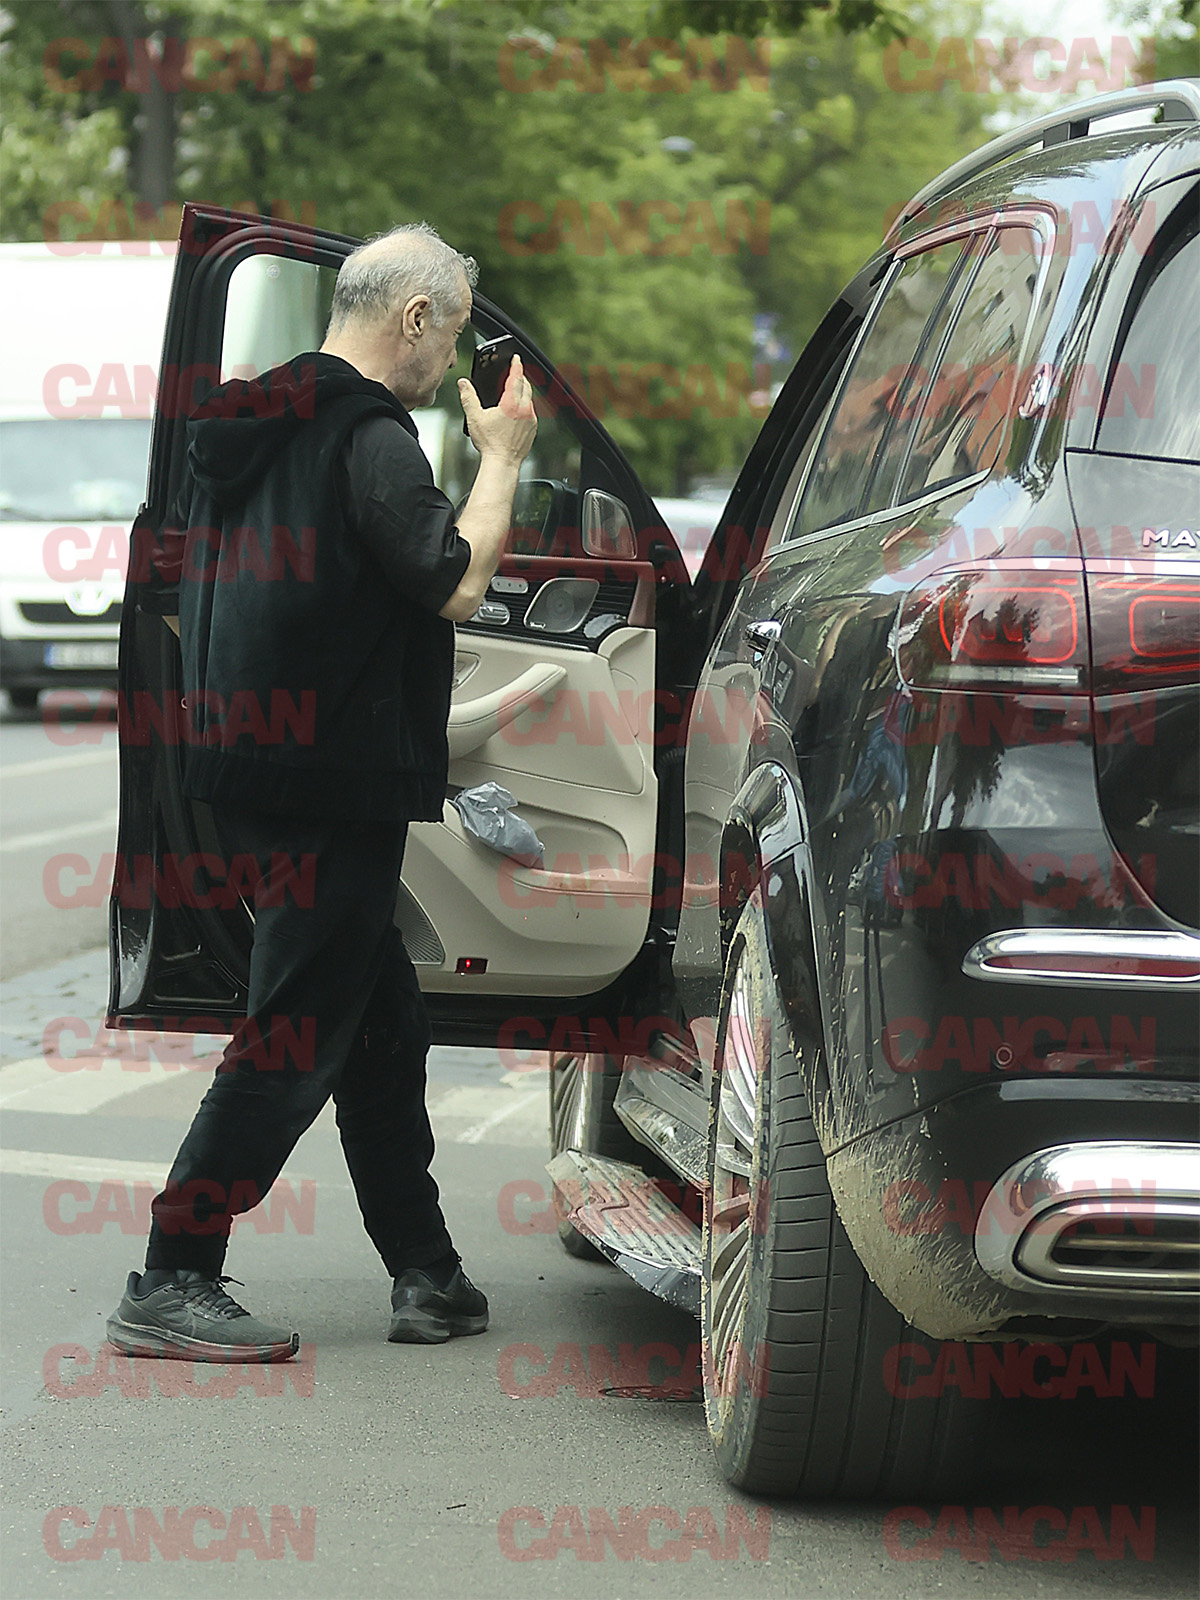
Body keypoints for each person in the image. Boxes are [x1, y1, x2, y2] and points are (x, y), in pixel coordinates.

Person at [106, 223, 537, 1362]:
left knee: (380, 1020)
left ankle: (427, 1271)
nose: (448, 362)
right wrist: (501, 456)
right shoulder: (370, 434)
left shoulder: (251, 425)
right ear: (415, 318)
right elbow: (454, 580)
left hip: (247, 770)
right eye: (450, 335)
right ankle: (174, 1270)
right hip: (333, 784)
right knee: (291, 1036)